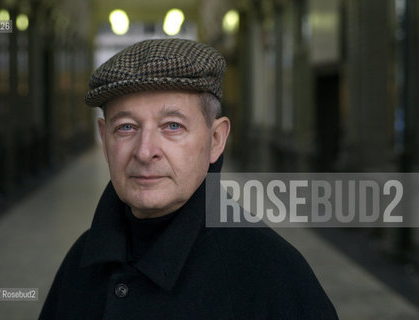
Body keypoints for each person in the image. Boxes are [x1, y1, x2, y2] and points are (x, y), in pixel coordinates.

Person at [39, 38, 338, 319]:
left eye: (172, 126)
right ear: (104, 140)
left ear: (216, 139)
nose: (145, 152)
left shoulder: (271, 272)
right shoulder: (79, 263)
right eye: (127, 128)